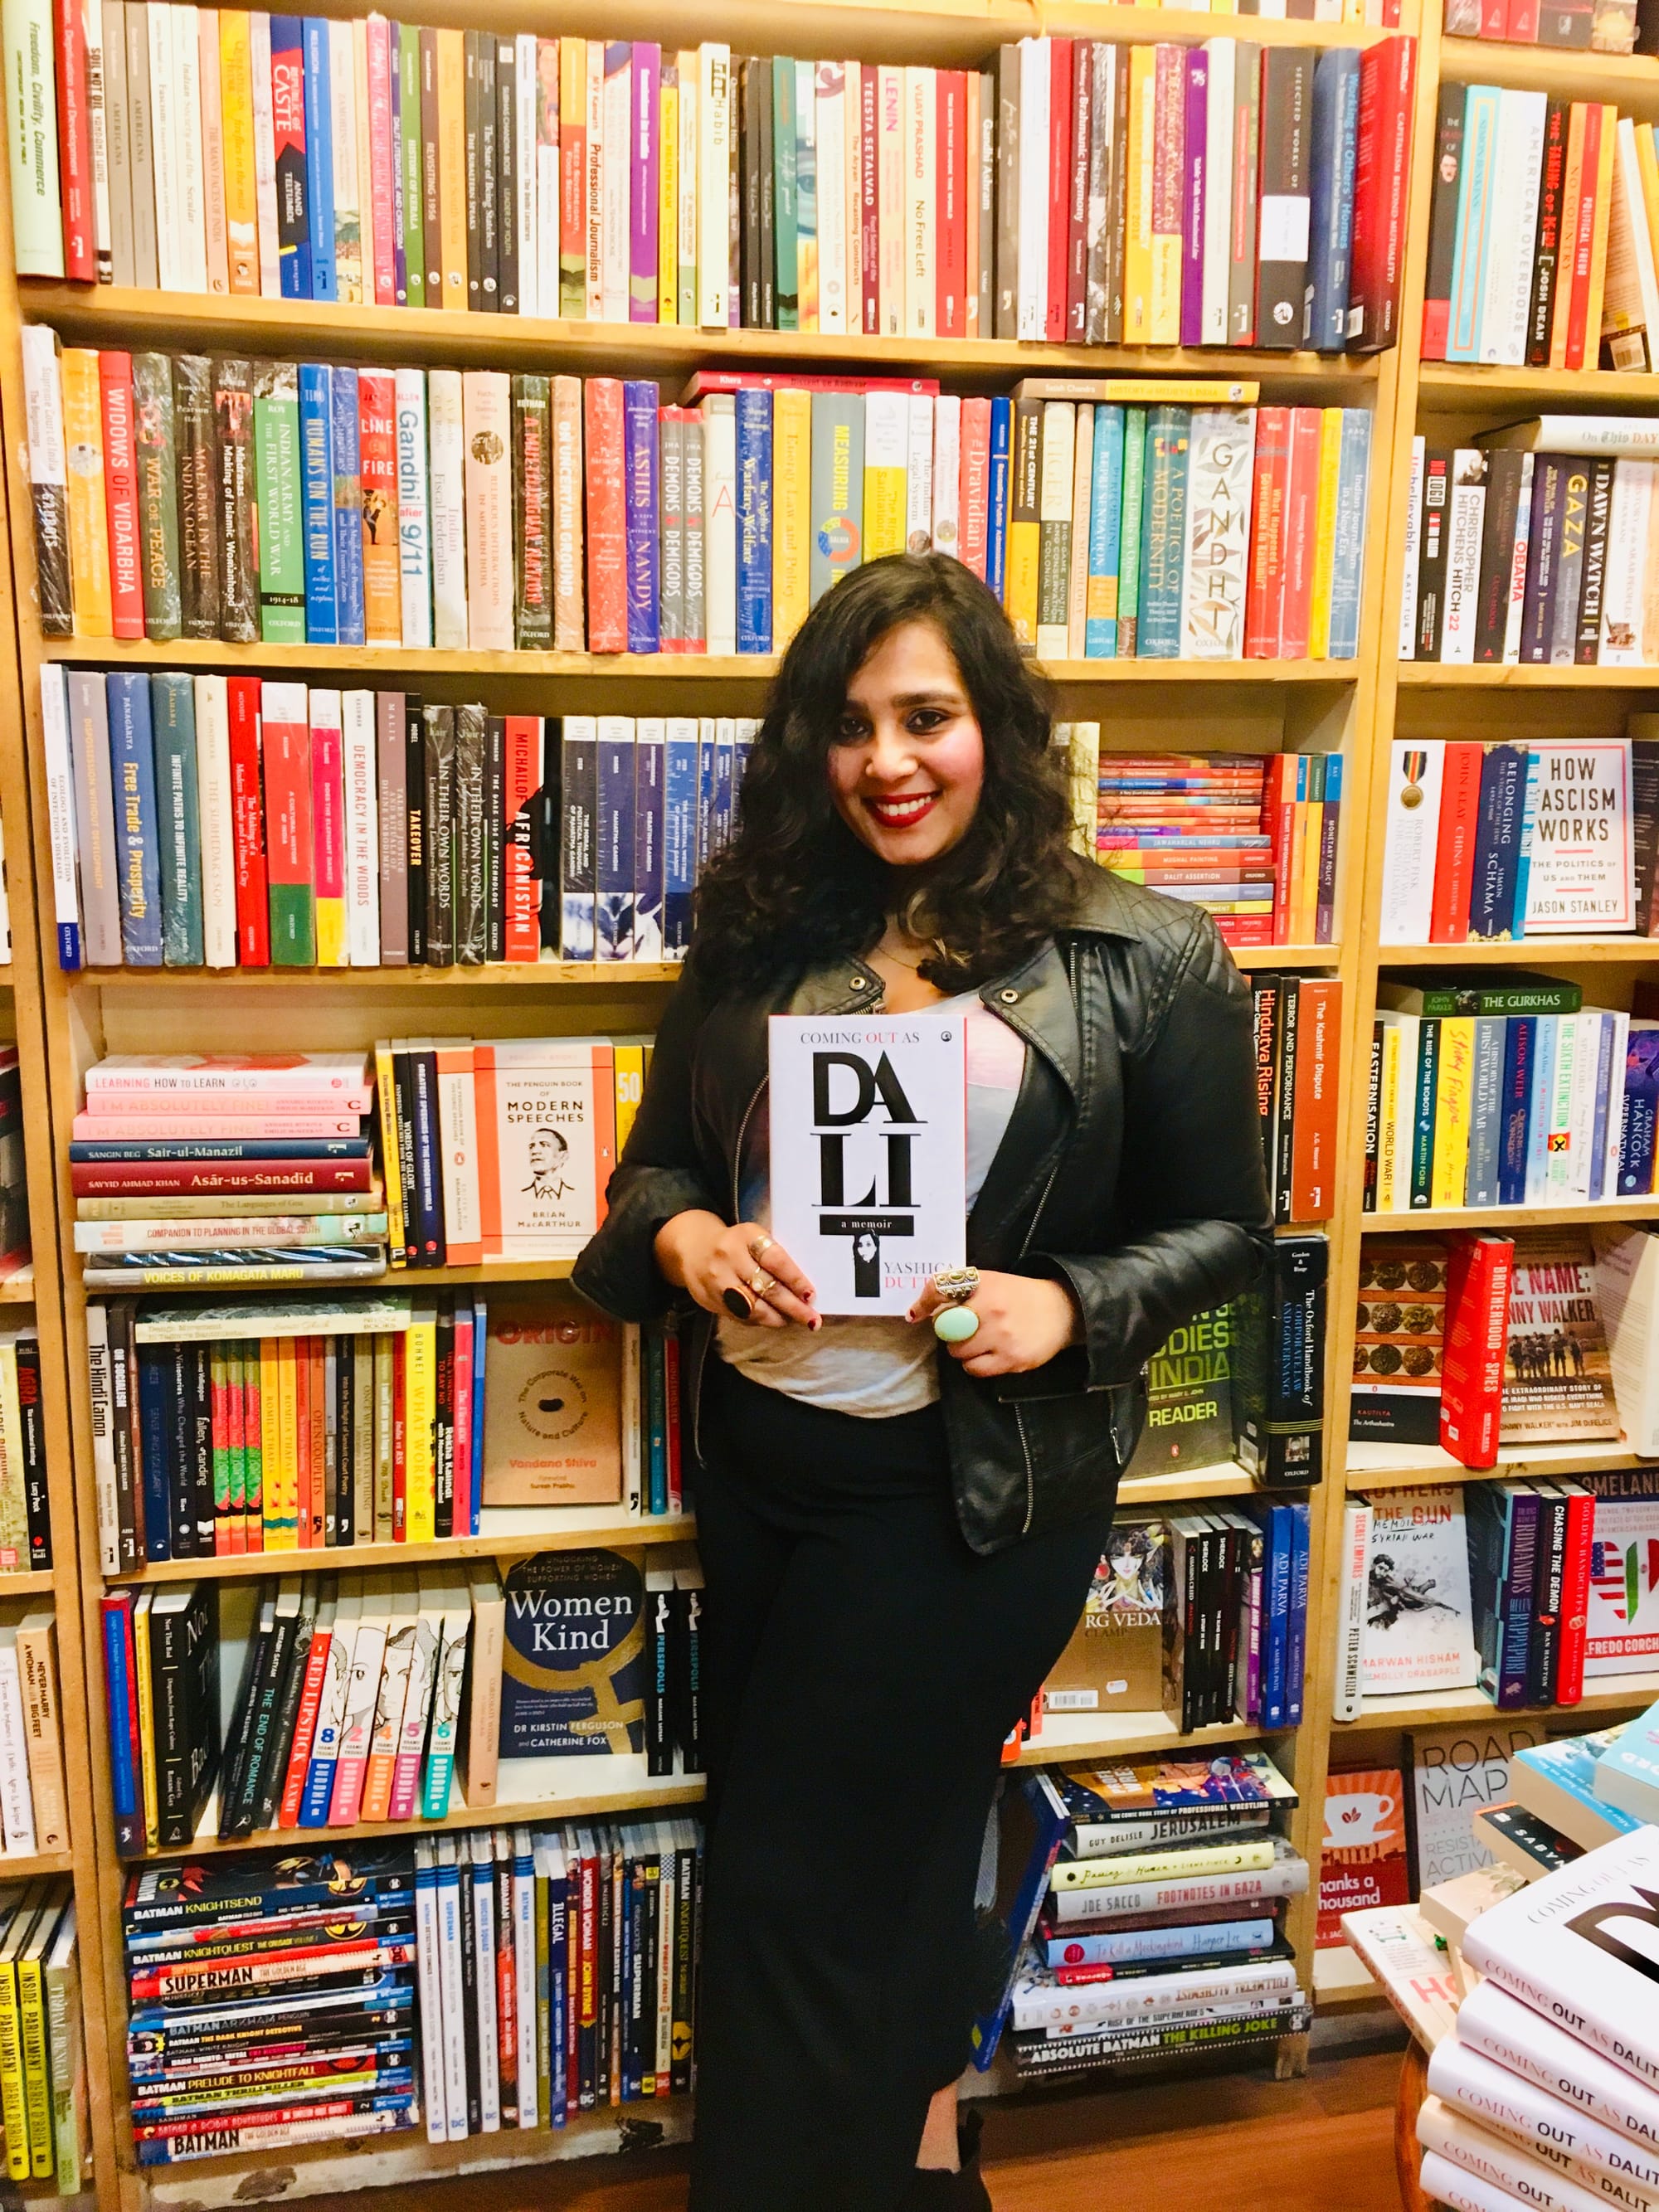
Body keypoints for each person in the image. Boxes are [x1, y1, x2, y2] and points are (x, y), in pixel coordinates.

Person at [571, 553, 1273, 2212]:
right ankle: (922, 2157)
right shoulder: (760, 933)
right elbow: (656, 1171)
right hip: (763, 1464)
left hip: (966, 1497)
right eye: (849, 724)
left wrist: (1068, 1302)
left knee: (795, 1893)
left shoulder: (1146, 953)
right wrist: (690, 1243)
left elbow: (1230, 1231)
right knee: (872, 1854)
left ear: (996, 729)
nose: (886, 759)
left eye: (925, 717)